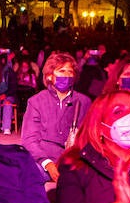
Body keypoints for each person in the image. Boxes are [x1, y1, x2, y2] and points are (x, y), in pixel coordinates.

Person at [20, 52, 91, 184]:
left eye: (70, 72)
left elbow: (89, 137)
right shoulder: (36, 101)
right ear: (50, 76)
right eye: (61, 71)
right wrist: (47, 163)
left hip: (73, 161)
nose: (66, 75)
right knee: (23, 176)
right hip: (43, 162)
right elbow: (29, 139)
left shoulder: (83, 101)